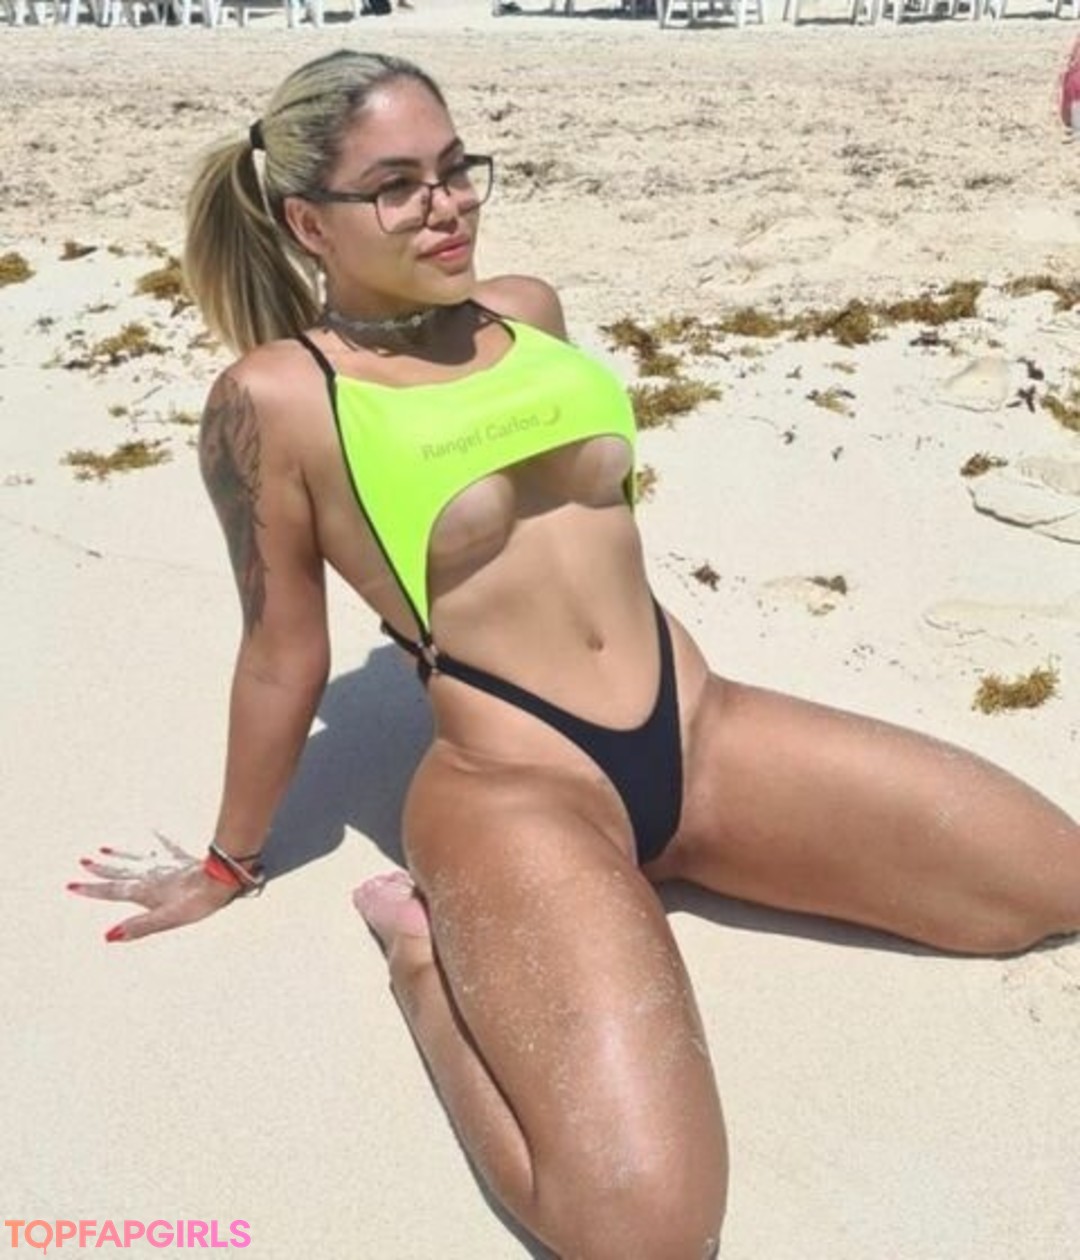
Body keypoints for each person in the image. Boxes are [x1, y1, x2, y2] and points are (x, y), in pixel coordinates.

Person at [68, 49, 1080, 1260]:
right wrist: (229, 861)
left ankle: (663, 866)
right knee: (646, 1233)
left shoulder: (529, 310)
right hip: (521, 790)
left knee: (1048, 885)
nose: (446, 205)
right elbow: (284, 653)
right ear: (307, 222)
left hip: (700, 732)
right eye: (396, 185)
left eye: (456, 169)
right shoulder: (277, 400)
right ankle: (420, 960)